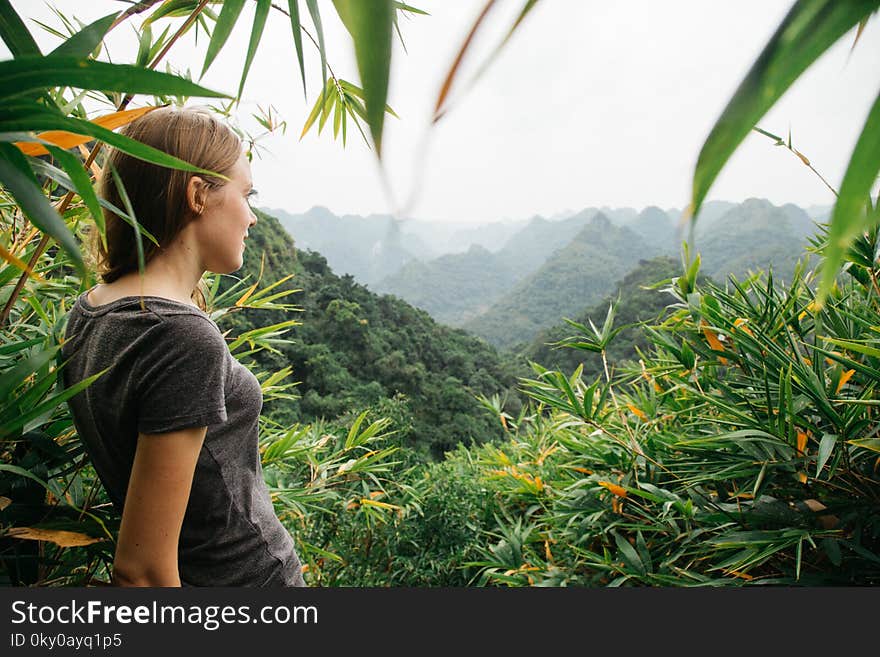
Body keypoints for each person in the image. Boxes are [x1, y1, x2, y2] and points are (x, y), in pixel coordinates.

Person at [60, 105, 306, 587]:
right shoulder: (182, 337)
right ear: (197, 194)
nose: (253, 218)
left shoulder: (90, 309)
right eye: (246, 195)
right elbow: (143, 572)